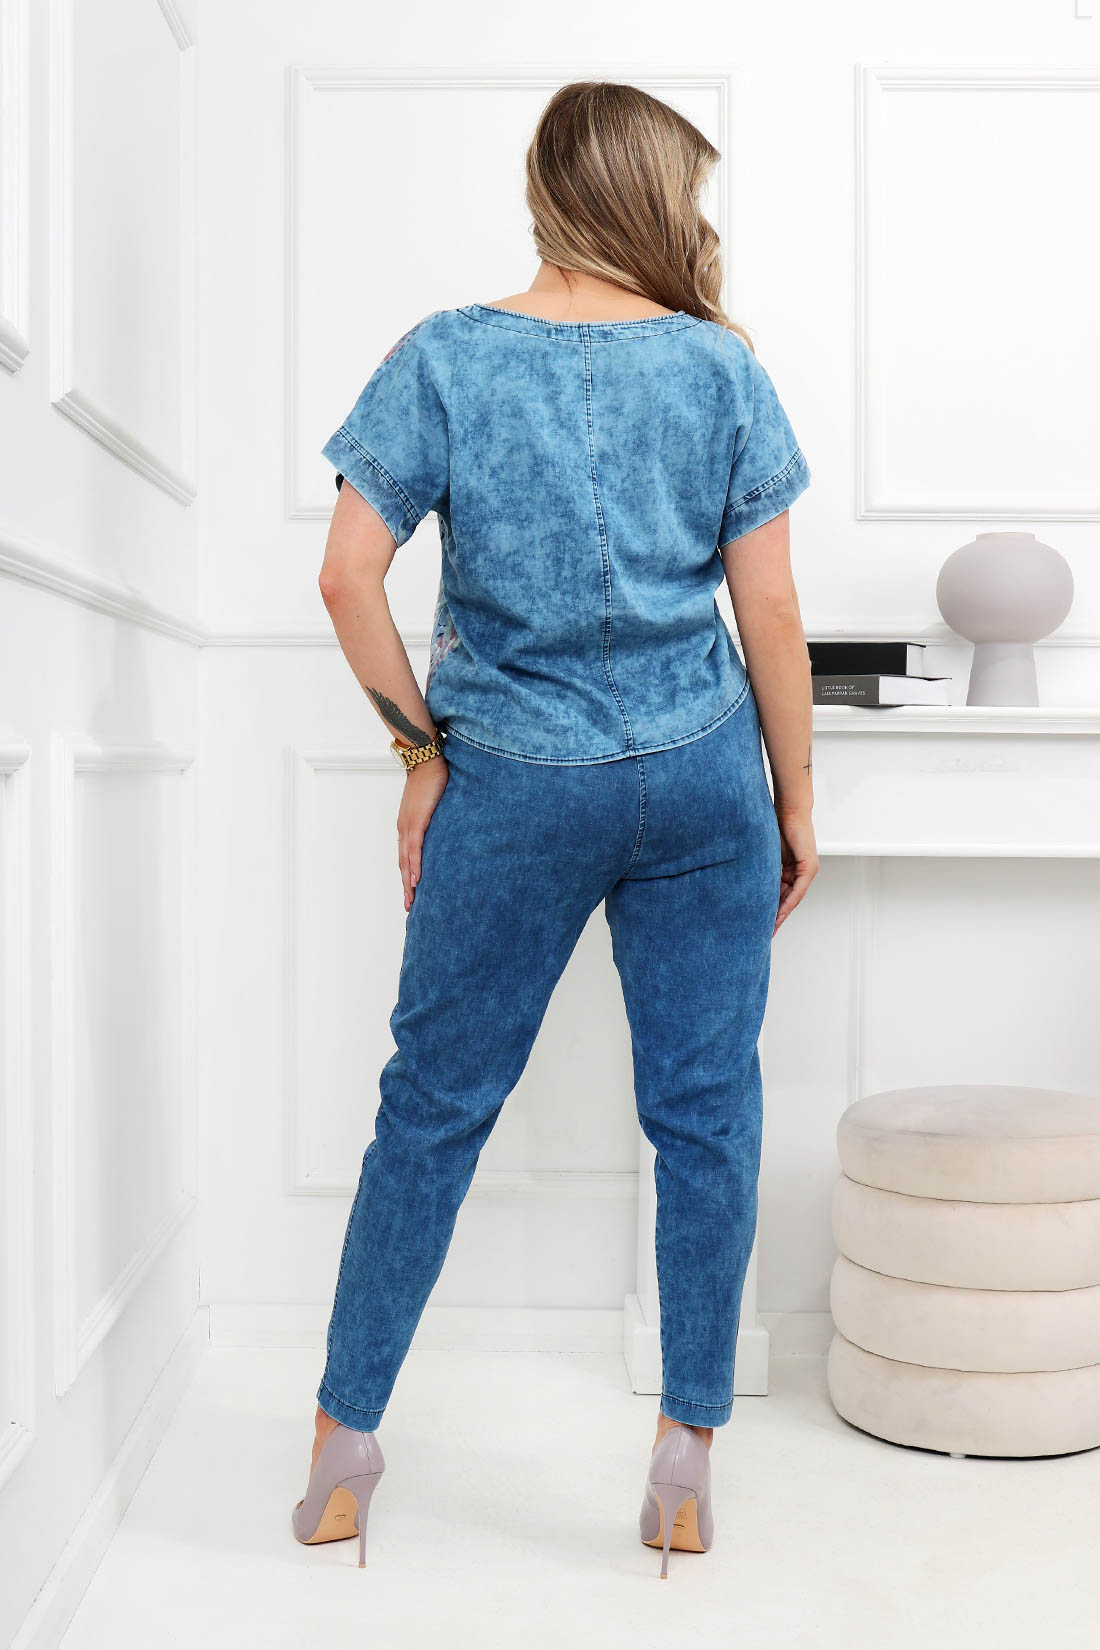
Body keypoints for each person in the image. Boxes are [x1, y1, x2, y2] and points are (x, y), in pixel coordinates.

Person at [291, 79, 817, 1578]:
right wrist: (793, 798)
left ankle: (340, 1450)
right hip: (702, 774)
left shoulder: (445, 355)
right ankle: (685, 1459)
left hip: (512, 778)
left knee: (432, 1106)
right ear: (649, 198)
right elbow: (770, 607)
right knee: (704, 1112)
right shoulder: (720, 367)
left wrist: (420, 753)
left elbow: (344, 576)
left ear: (548, 191)